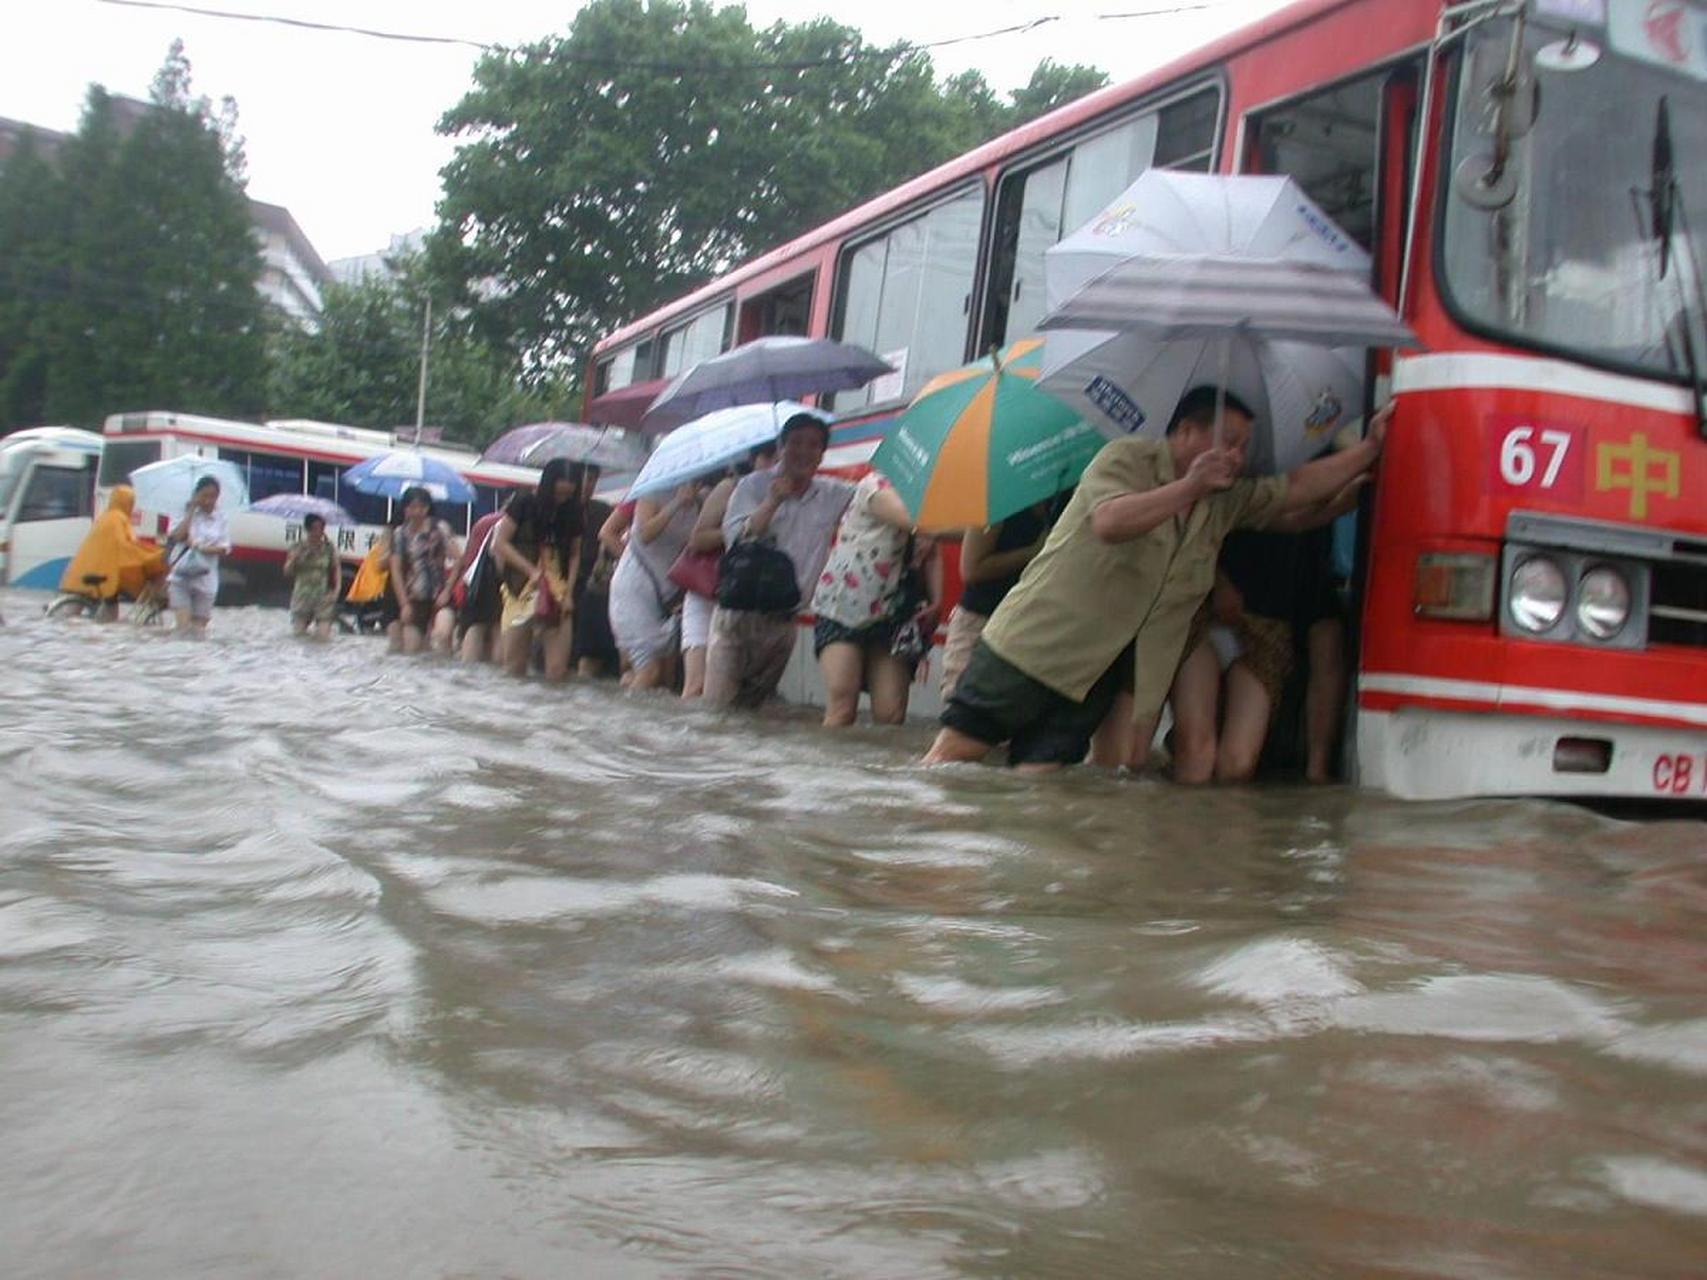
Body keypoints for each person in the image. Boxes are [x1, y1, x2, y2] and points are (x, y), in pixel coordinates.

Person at [923, 388, 1390, 770]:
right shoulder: (1125, 458)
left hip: (1100, 667)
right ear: (1185, 431)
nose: (1236, 455)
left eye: (1243, 446)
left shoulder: (1225, 499)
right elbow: (1109, 522)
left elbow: (1296, 488)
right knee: (955, 756)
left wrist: (1368, 449)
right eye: (1226, 440)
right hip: (1035, 644)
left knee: (1040, 777)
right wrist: (1189, 486)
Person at [1170, 516, 1353, 784]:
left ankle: (1316, 769)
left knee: (1237, 766)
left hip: (1265, 628)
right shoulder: (1225, 487)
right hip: (1204, 618)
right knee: (1194, 753)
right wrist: (1217, 579)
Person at [705, 412, 853, 709]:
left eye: (813, 445)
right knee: (717, 711)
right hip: (737, 616)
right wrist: (772, 502)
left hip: (784, 621)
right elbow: (737, 539)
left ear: (822, 454)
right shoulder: (752, 486)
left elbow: (872, 496)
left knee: (753, 714)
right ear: (781, 447)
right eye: (795, 443)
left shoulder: (832, 494)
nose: (803, 451)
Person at [811, 471, 943, 727]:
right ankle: (830, 767)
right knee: (842, 707)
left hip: (894, 613)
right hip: (843, 607)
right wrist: (983, 525)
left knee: (891, 715)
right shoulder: (874, 486)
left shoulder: (928, 496)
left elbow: (933, 551)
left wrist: (937, 600)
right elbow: (920, 524)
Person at [681, 442, 777, 700]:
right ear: (754, 459)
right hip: (707, 595)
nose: (773, 465)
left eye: (779, 459)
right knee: (697, 686)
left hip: (748, 604)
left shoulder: (787, 498)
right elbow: (696, 539)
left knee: (739, 694)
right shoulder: (730, 487)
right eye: (768, 457)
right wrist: (741, 529)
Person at [938, 497, 1058, 701]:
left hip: (1029, 623)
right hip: (980, 620)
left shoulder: (1060, 501)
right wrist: (1033, 552)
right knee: (963, 709)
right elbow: (971, 569)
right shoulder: (1000, 500)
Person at [490, 457, 582, 680]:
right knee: (514, 668)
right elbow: (499, 543)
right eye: (558, 493)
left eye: (567, 494)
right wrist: (531, 570)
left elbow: (574, 554)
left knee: (557, 671)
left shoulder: (574, 511)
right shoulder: (523, 503)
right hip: (520, 589)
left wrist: (569, 593)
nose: (561, 499)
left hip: (557, 591)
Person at [609, 480, 700, 690]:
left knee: (656, 677)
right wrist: (676, 503)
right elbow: (644, 534)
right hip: (634, 588)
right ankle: (627, 721)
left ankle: (623, 706)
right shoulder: (652, 492)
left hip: (665, 594)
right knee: (649, 671)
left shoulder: (701, 501)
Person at [59, 484, 166, 620]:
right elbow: (124, 547)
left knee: (71, 615)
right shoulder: (119, 519)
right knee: (110, 602)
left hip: (83, 570)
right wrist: (151, 553)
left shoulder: (105, 517)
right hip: (105, 571)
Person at [389, 487, 459, 655]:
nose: (416, 512)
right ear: (405, 509)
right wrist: (404, 603)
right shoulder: (400, 534)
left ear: (428, 508)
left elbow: (459, 560)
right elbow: (396, 571)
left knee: (442, 636)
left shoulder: (440, 529)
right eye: (412, 507)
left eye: (421, 507)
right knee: (411, 652)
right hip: (415, 597)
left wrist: (448, 591)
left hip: (440, 594)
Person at [165, 475, 232, 638]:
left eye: (213, 496)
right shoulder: (182, 512)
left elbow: (225, 548)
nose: (209, 501)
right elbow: (176, 536)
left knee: (198, 633)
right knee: (183, 630)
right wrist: (190, 512)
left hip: (207, 581)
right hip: (181, 577)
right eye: (205, 496)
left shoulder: (221, 518)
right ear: (196, 495)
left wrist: (200, 547)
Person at [571, 465, 621, 679]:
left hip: (594, 586)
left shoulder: (602, 511)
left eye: (591, 479)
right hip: (565, 583)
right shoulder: (562, 509)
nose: (586, 485)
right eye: (582, 479)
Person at [453, 506, 507, 663]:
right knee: (499, 628)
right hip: (499, 581)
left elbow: (469, 557)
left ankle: (469, 672)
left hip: (476, 582)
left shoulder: (484, 521)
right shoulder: (513, 522)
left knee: (475, 626)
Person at [284, 513, 341, 638]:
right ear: (308, 529)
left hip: (322, 597)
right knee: (299, 636)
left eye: (321, 528)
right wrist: (295, 558)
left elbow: (336, 568)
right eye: (315, 529)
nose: (318, 532)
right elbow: (287, 572)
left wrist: (336, 590)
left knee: (323, 638)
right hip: (302, 597)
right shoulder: (298, 547)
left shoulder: (328, 548)